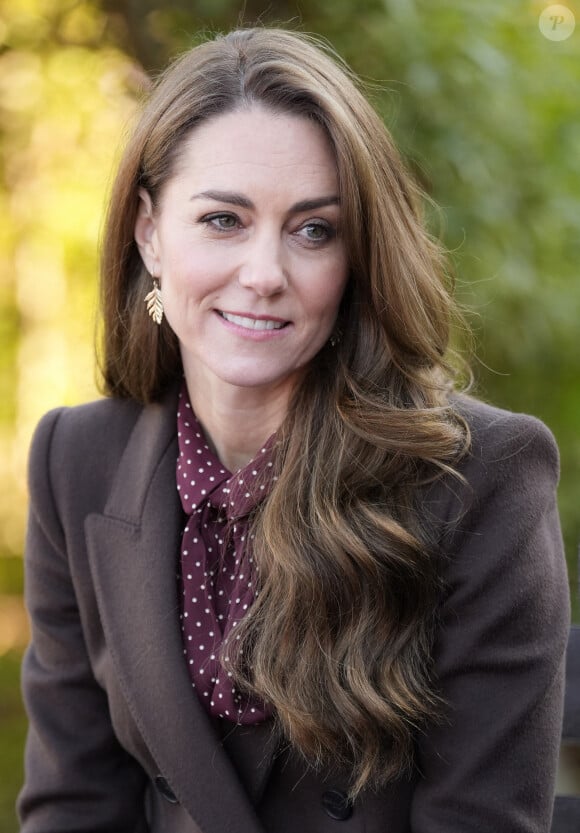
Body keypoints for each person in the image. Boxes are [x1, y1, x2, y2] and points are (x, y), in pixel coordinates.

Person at [18, 27, 569, 833]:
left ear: (355, 257)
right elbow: (76, 805)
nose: (266, 273)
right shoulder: (77, 462)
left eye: (314, 230)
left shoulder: (482, 475)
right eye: (222, 220)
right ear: (148, 233)